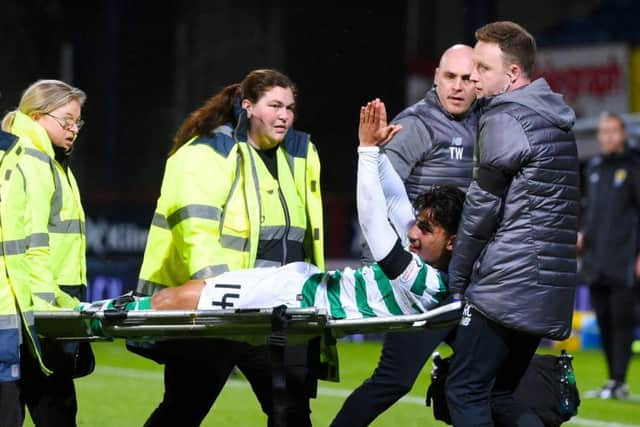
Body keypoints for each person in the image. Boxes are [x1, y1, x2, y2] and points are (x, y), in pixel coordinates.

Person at [83, 101, 463, 324]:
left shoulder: (424, 283)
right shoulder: (426, 263)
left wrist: (365, 151)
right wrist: (377, 154)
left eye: (426, 229)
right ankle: (116, 309)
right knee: (195, 296)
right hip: (302, 286)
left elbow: (374, 221)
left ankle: (104, 314)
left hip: (297, 298)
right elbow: (396, 205)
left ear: (451, 243)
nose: (414, 233)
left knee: (194, 297)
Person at [135, 69, 324, 427]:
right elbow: (196, 230)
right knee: (182, 411)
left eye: (290, 107)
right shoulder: (209, 152)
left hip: (278, 314)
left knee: (292, 416)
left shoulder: (301, 154)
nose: (284, 115)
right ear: (248, 105)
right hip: (219, 314)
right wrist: (219, 295)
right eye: (274, 106)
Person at [333, 44, 477, 426]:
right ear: (436, 78)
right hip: (418, 286)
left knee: (486, 373)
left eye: (466, 79)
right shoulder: (416, 125)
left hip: (464, 281)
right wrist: (378, 275)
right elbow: (378, 192)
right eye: (450, 77)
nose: (458, 87)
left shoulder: (485, 123)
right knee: (393, 381)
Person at [445, 21, 579, 427]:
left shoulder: (505, 118)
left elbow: (481, 211)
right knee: (502, 393)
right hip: (545, 287)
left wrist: (458, 276)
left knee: (463, 389)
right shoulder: (553, 117)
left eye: (483, 68)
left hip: (506, 283)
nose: (472, 77)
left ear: (513, 73)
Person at [2, 79, 90, 426]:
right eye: (66, 120)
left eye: (78, 122)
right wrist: (47, 310)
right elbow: (33, 246)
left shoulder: (48, 161)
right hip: (39, 310)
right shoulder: (33, 162)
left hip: (40, 304)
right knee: (54, 409)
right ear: (37, 116)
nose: (74, 129)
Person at [580, 112, 640, 400]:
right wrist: (582, 236)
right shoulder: (593, 167)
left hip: (624, 259)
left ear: (623, 134)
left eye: (613, 131)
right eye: (603, 131)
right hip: (596, 259)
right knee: (603, 318)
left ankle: (619, 380)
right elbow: (590, 212)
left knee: (622, 320)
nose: (607, 137)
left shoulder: (634, 167)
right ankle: (611, 380)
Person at [0, 126, 50, 427]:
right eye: (67, 120)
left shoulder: (16, 160)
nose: (74, 129)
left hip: (6, 320)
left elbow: (31, 246)